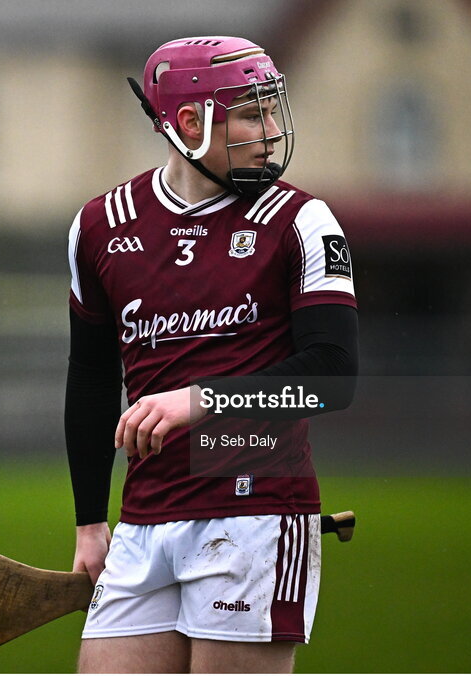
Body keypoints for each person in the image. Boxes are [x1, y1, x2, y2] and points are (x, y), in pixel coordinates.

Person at [65, 36, 358, 673]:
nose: (272, 129)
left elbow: (332, 375)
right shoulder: (100, 226)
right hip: (141, 527)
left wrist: (199, 401)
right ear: (190, 123)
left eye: (272, 109)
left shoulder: (301, 222)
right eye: (252, 114)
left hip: (253, 517)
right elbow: (90, 374)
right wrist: (91, 521)